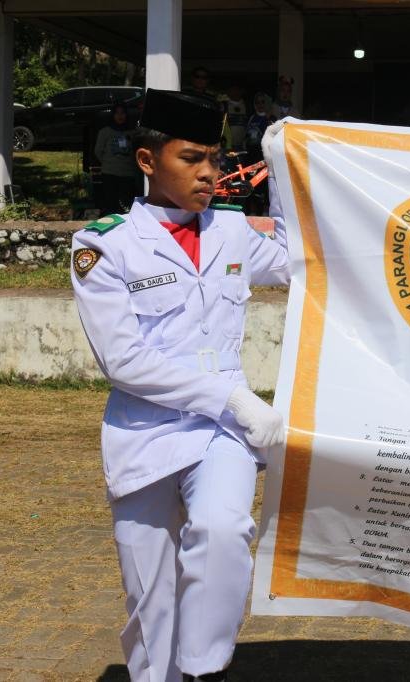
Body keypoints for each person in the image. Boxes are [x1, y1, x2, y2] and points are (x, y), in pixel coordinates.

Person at [70, 89, 290, 682]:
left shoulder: (232, 230)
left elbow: (299, 261)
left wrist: (287, 170)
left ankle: (204, 668)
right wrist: (232, 396)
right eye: (191, 158)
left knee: (223, 531)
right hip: (145, 432)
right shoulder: (104, 244)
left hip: (222, 431)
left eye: (214, 159)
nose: (208, 173)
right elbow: (125, 362)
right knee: (150, 595)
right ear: (147, 160)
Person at [93, 103, 139, 214]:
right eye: (117, 113)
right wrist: (108, 163)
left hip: (128, 174)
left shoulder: (133, 133)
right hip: (110, 173)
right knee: (110, 205)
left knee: (126, 206)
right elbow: (98, 151)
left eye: (122, 113)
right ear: (113, 115)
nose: (120, 116)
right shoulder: (105, 132)